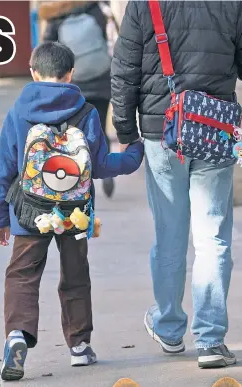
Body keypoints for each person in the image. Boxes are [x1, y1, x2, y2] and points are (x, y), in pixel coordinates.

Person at [0, 42, 144, 381]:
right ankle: (79, 346)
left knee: (21, 275)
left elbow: (2, 169)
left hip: (29, 211)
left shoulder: (19, 111)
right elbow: (100, 165)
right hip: (75, 213)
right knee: (75, 276)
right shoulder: (86, 111)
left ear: (33, 72)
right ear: (71, 73)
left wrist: (1, 218)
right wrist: (133, 154)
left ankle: (17, 334)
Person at [111, 1, 242, 369]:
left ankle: (169, 328)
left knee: (169, 232)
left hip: (161, 130)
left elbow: (124, 70)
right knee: (213, 237)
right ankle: (211, 340)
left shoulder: (145, 4)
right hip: (216, 128)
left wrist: (125, 130)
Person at [39, 1, 115, 198]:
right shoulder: (95, 9)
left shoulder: (56, 14)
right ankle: (106, 170)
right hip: (101, 78)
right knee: (98, 127)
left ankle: (80, 180)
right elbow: (108, 38)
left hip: (73, 83)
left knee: (74, 132)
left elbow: (47, 51)